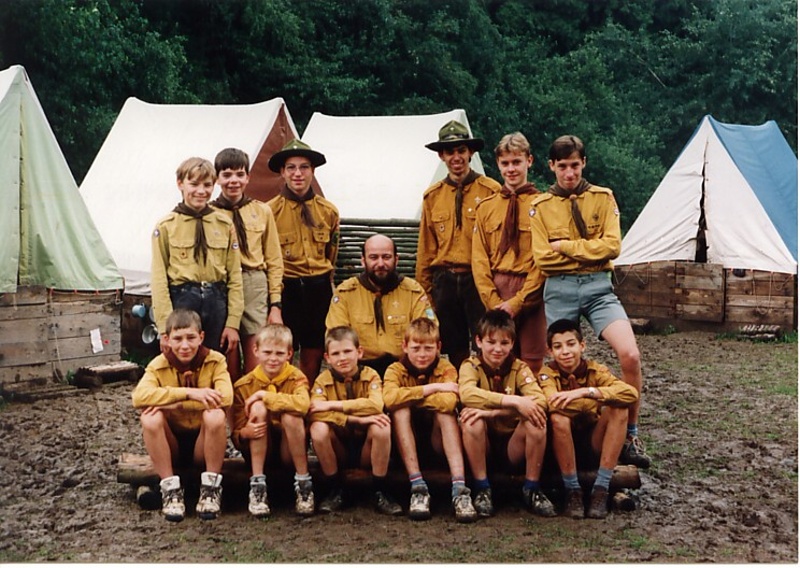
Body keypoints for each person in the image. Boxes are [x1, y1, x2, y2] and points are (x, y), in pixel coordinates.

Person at [529, 135, 651, 469]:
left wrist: (566, 247)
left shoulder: (602, 197)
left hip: (599, 288)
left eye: (575, 165)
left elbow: (613, 246)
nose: (569, 173)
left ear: (584, 163)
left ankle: (631, 434)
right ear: (551, 166)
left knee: (630, 355)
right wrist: (588, 251)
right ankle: (558, 433)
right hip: (560, 288)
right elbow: (543, 259)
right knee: (556, 360)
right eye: (562, 166)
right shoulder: (540, 206)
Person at [131, 309, 232, 522]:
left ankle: (211, 488)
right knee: (150, 418)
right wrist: (189, 393)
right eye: (177, 339)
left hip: (204, 441)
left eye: (191, 338)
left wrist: (172, 405)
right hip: (171, 444)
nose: (184, 346)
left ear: (201, 337)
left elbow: (226, 397)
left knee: (215, 415)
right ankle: (170, 490)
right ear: (167, 339)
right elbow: (139, 397)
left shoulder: (216, 361)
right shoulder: (158, 365)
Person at [416, 120, 501, 368]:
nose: (456, 157)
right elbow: (426, 249)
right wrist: (425, 292)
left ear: (470, 152)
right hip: (445, 281)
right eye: (450, 151)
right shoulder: (432, 196)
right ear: (441, 155)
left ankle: (484, 387)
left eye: (461, 150)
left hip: (478, 278)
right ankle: (461, 386)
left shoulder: (490, 191)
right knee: (454, 347)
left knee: (486, 340)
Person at [458, 309, 555, 518]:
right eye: (491, 342)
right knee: (471, 419)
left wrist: (492, 413)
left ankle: (532, 488)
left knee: (536, 418)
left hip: (513, 444)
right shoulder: (470, 366)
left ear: (512, 343)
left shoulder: (519, 368)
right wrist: (514, 401)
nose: (497, 349)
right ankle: (482, 488)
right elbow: (467, 394)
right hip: (483, 444)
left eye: (504, 343)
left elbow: (539, 400)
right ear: (478, 341)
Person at [538, 318, 639, 519]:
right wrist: (595, 403)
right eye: (558, 347)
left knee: (619, 409)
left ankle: (601, 488)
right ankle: (572, 490)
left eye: (571, 344)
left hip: (594, 441)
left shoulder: (596, 370)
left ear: (582, 346)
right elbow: (552, 402)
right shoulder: (547, 374)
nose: (565, 351)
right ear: (550, 351)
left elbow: (630, 393)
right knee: (558, 418)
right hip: (559, 446)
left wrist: (586, 392)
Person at [383, 317, 478, 523]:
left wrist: (410, 397)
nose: (422, 354)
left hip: (438, 442)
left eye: (428, 348)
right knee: (400, 411)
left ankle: (460, 489)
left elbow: (449, 402)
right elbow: (389, 399)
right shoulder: (395, 369)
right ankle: (418, 487)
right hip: (405, 445)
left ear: (438, 347)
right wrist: (433, 388)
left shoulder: (446, 368)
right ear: (405, 347)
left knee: (445, 413)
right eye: (416, 348)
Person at [151, 157, 243, 357]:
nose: (201, 191)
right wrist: (164, 327)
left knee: (214, 361)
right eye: (194, 184)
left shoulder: (224, 225)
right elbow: (159, 279)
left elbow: (235, 275)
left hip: (216, 302)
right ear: (180, 184)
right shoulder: (166, 226)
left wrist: (233, 322)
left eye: (207, 185)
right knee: (182, 361)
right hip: (182, 300)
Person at [472, 132, 546, 374]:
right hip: (497, 288)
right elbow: (479, 260)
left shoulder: (544, 205)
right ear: (498, 164)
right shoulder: (486, 208)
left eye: (517, 162)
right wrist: (493, 302)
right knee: (498, 358)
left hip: (532, 291)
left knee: (532, 360)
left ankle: (531, 399)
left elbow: (543, 259)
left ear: (529, 161)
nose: (511, 169)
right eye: (505, 163)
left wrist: (518, 301)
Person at [308, 326, 403, 516]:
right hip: (339, 448)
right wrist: (355, 419)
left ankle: (379, 489)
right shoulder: (322, 381)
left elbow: (375, 405)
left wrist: (332, 405)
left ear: (359, 352)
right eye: (336, 353)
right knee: (318, 428)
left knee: (381, 425)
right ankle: (335, 489)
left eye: (347, 351)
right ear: (327, 358)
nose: (342, 358)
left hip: (367, 448)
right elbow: (315, 413)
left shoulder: (371, 375)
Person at [267, 139, 340, 383]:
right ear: (282, 172)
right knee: (282, 345)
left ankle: (306, 391)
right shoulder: (269, 212)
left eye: (304, 167)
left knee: (314, 346)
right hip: (286, 287)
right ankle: (285, 392)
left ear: (313, 171)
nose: (297, 174)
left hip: (318, 287)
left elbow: (331, 252)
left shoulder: (328, 211)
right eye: (291, 168)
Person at [210, 147, 284, 381]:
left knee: (256, 361)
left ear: (248, 177)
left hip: (254, 284)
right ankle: (231, 404)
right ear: (217, 178)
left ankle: (253, 402)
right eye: (227, 175)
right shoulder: (209, 213)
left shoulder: (262, 211)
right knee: (227, 359)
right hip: (223, 286)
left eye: (239, 174)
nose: (233, 181)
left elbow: (274, 260)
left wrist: (275, 304)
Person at [230, 324, 314, 517]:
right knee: (258, 408)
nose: (273, 358)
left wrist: (265, 396)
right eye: (267, 352)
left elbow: (303, 405)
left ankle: (304, 483)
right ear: (256, 351)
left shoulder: (296, 378)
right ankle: (257, 485)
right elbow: (236, 433)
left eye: (279, 353)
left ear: (289, 354)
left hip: (289, 448)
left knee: (291, 414)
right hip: (259, 448)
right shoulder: (244, 385)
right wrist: (244, 433)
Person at [326, 234, 437, 377]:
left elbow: (429, 333)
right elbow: (336, 338)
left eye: (386, 257)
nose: (380, 264)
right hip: (359, 372)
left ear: (396, 260)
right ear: (363, 260)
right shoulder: (345, 293)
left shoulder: (413, 292)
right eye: (373, 257)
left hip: (404, 370)